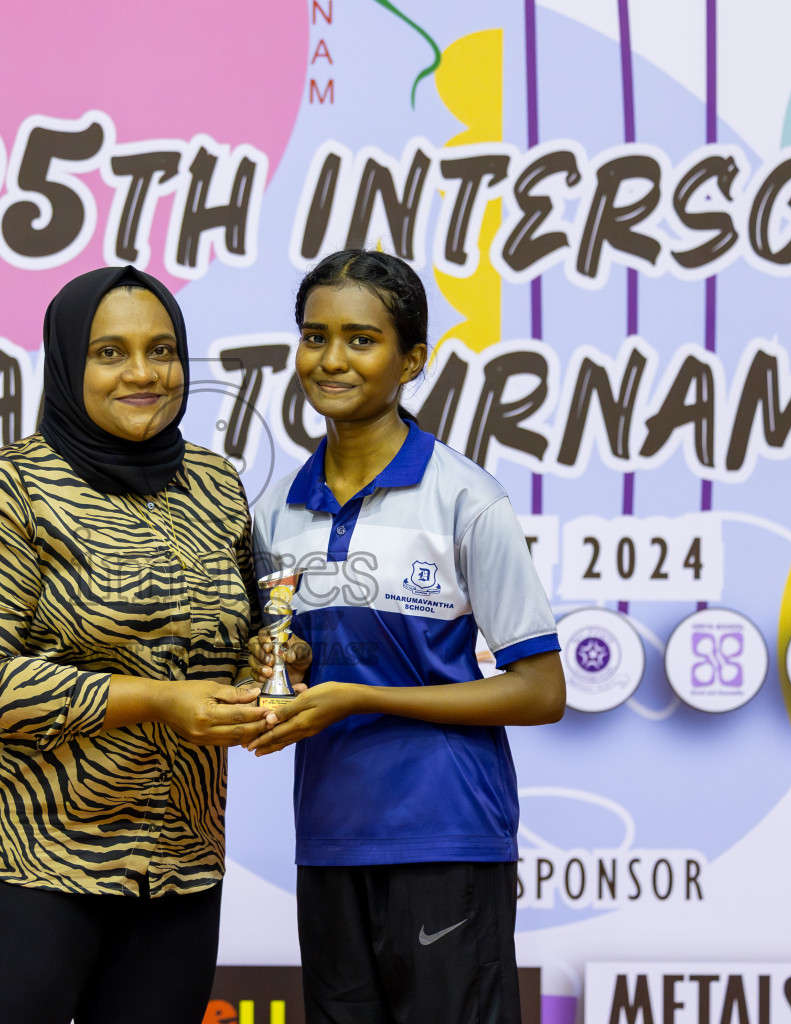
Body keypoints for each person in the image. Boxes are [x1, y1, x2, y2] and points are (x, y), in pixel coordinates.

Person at [0, 265, 268, 1024]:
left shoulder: (216, 485)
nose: (143, 373)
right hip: (29, 858)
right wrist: (155, 700)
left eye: (163, 350)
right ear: (65, 364)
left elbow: (240, 634)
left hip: (180, 864)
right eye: (110, 353)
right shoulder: (8, 487)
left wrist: (270, 668)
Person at [247, 249, 567, 1024]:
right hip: (328, 838)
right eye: (314, 335)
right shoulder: (275, 511)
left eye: (361, 339)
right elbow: (280, 660)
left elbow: (541, 690)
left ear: (411, 359)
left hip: (445, 834)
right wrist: (276, 659)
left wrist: (361, 695)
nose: (331, 359)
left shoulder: (465, 498)